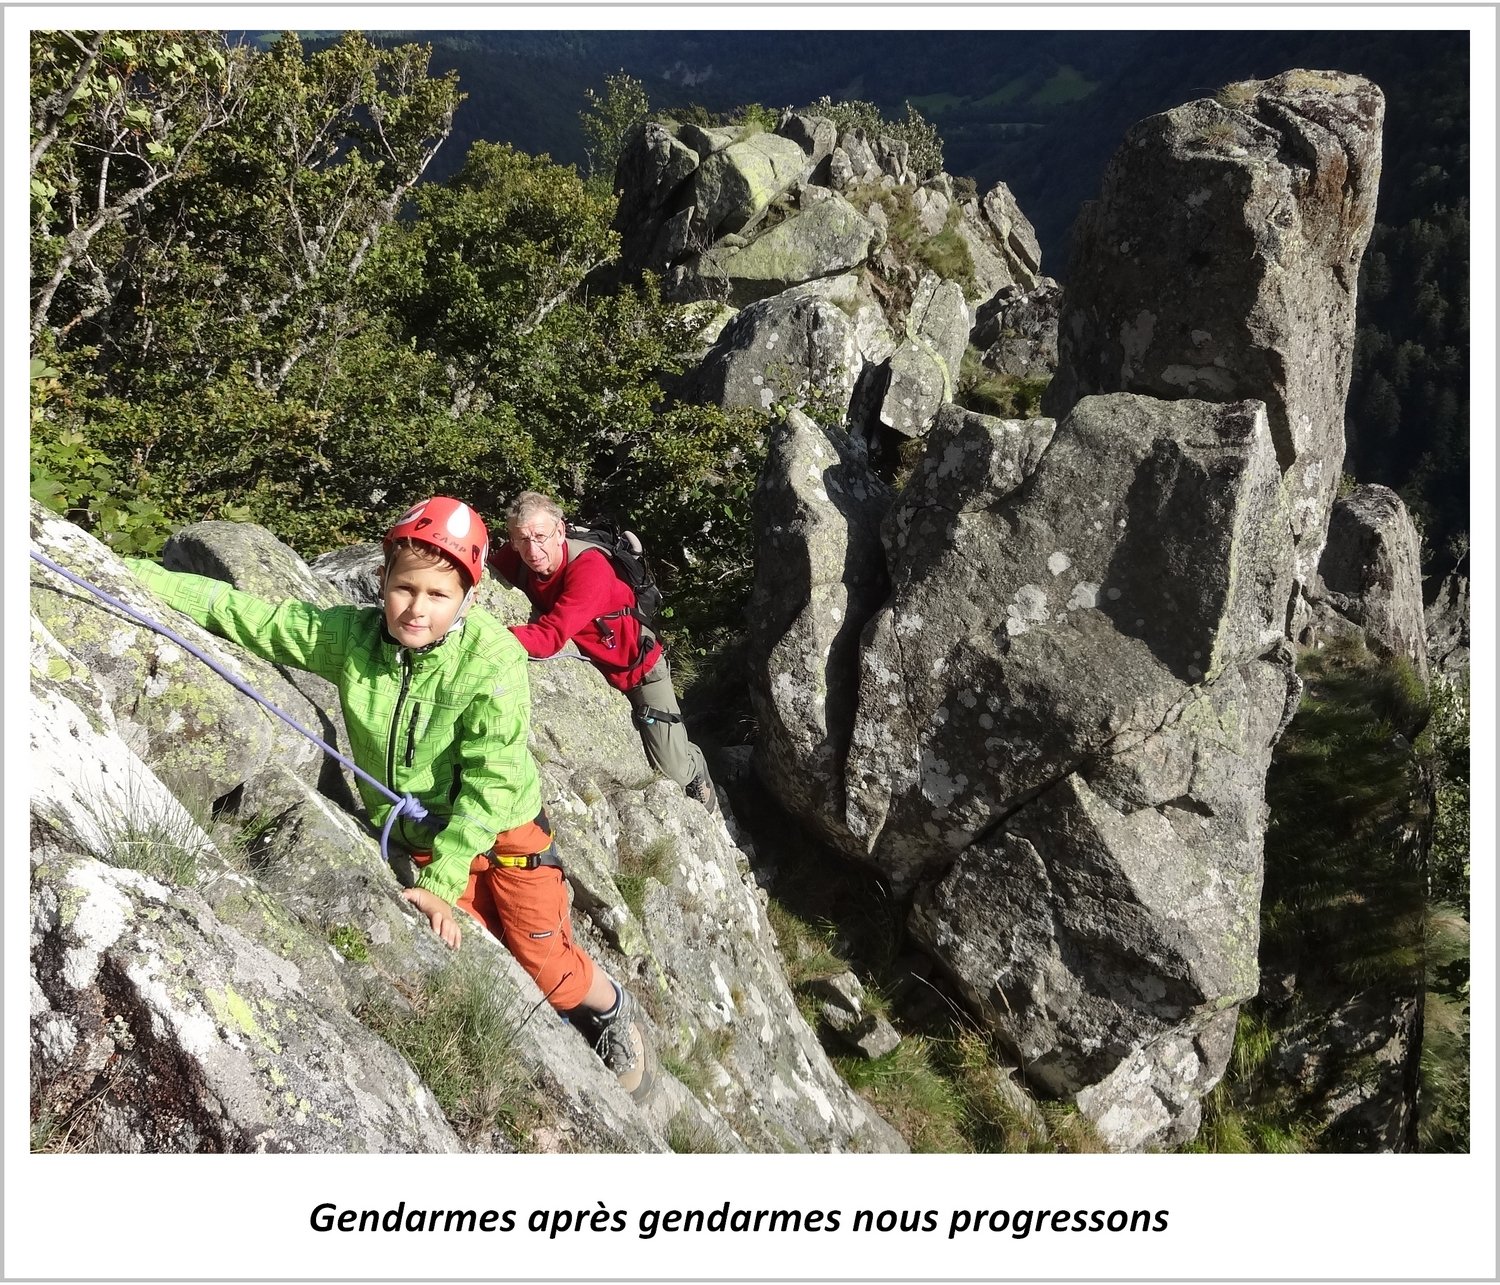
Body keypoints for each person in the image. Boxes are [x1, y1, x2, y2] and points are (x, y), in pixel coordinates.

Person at [126, 497, 654, 1103]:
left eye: (438, 595)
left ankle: (610, 1007)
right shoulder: (355, 639)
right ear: (383, 580)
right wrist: (133, 574)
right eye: (405, 589)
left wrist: (447, 874)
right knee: (490, 961)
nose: (416, 609)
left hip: (504, 835)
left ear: (468, 599)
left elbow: (491, 785)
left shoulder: (491, 661)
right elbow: (252, 618)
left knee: (547, 970)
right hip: (424, 836)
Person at [489, 491, 717, 812]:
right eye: (521, 539)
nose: (532, 549)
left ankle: (695, 763)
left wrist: (491, 639)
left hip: (639, 671)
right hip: (599, 665)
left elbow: (551, 636)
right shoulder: (518, 557)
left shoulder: (589, 568)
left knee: (674, 772)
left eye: (540, 536)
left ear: (560, 530)